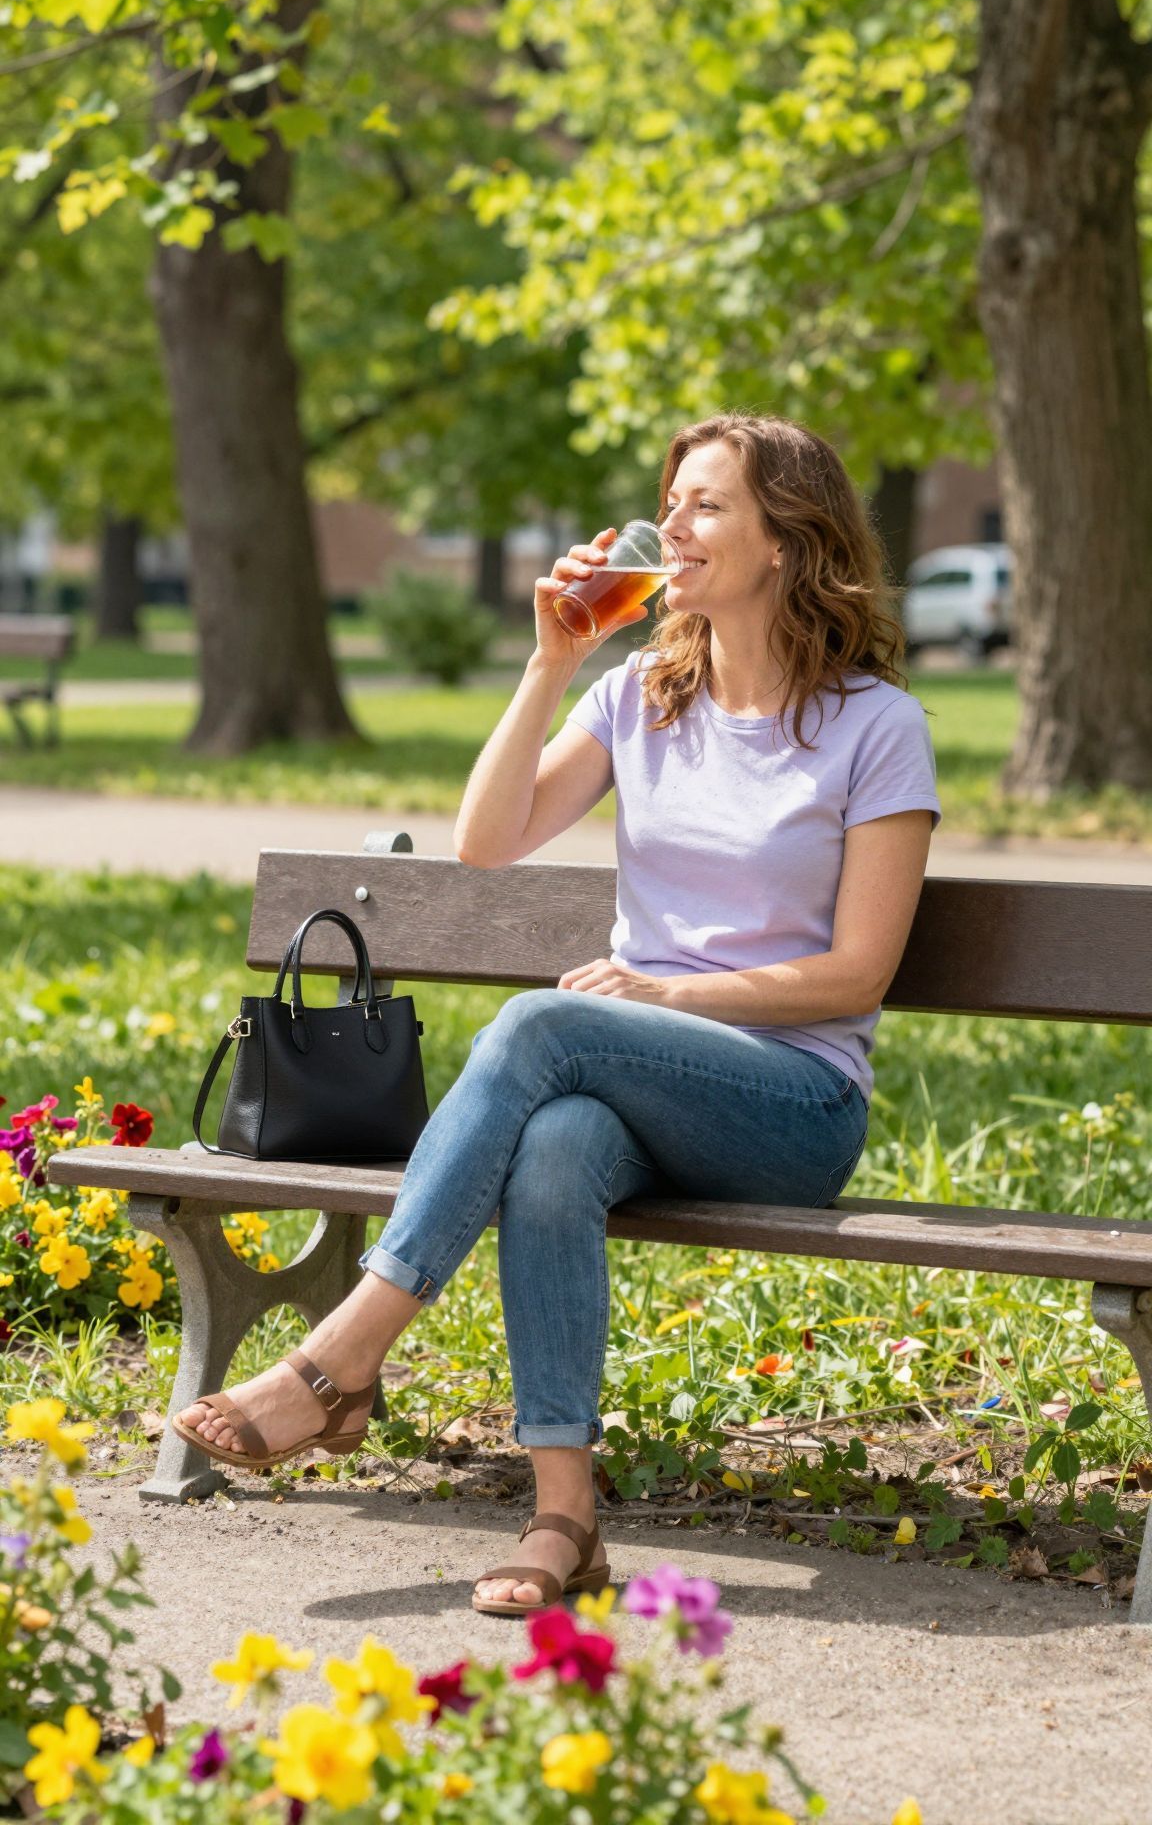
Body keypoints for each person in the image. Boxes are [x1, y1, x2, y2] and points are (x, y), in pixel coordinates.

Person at [174, 410, 940, 1618]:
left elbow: (856, 976)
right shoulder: (644, 695)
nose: (672, 526)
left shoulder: (874, 726)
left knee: (540, 1025)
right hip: (638, 1079)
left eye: (706, 505)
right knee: (557, 1145)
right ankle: (562, 1516)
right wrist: (552, 659)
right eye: (671, 499)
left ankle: (341, 1356)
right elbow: (486, 846)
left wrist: (662, 990)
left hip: (790, 1099)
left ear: (786, 540)